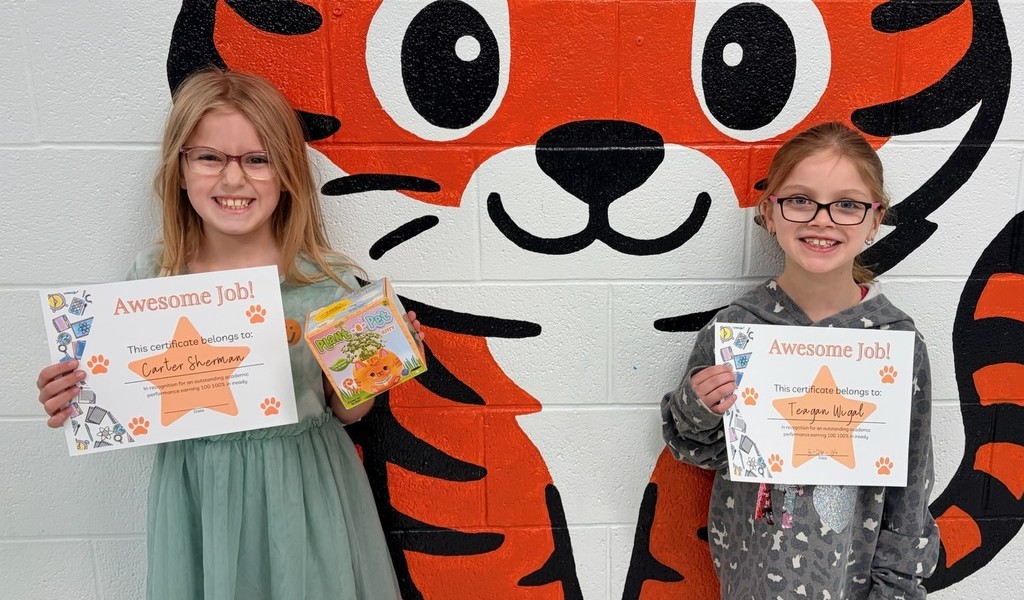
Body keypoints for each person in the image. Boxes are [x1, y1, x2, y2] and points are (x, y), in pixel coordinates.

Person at [35, 68, 411, 599]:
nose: (234, 179)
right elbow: (127, 399)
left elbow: (347, 412)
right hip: (198, 491)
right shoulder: (154, 278)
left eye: (259, 159)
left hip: (302, 487)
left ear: (288, 172)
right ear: (180, 169)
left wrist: (375, 363)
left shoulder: (328, 283)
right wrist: (76, 395)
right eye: (210, 157)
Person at [661, 122, 939, 599]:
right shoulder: (738, 330)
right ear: (770, 213)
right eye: (800, 200)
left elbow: (911, 487)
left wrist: (897, 587)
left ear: (875, 220)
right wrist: (698, 406)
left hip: (855, 585)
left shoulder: (896, 341)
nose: (822, 219)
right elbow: (699, 450)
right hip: (752, 581)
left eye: (847, 204)